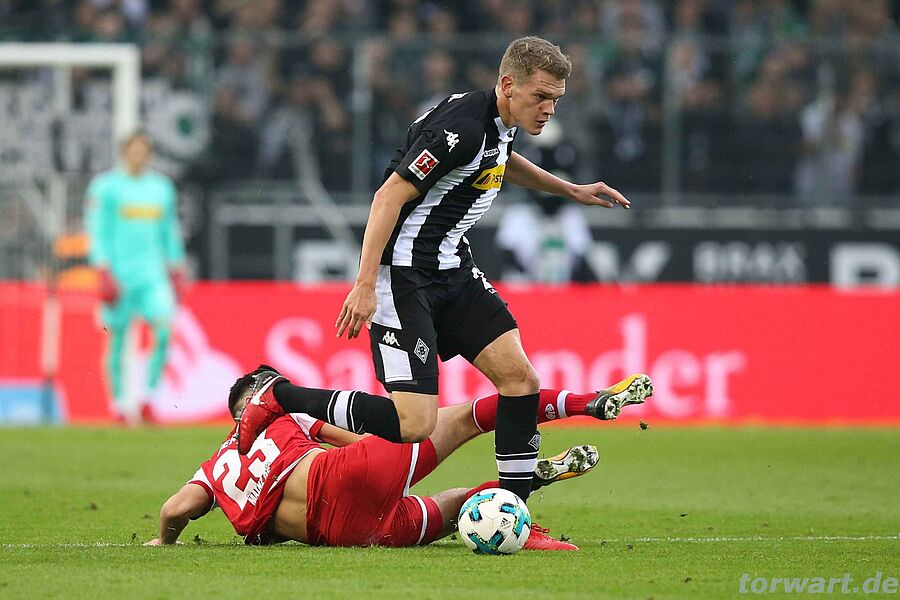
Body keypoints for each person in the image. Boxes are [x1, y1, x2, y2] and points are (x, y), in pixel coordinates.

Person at [238, 36, 635, 507]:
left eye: (556, 99)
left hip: (454, 269)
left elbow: (500, 160)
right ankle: (280, 396)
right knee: (415, 424)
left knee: (520, 380)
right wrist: (364, 284)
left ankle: (514, 510)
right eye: (542, 96)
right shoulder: (460, 128)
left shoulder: (499, 122)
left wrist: (569, 190)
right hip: (406, 277)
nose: (549, 109)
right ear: (509, 85)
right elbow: (387, 196)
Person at [147, 366, 652, 550]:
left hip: (344, 535)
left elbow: (175, 510)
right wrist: (394, 460)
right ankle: (586, 405)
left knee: (462, 508)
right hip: (348, 474)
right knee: (470, 416)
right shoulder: (286, 416)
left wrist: (163, 540)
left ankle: (522, 499)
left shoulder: (214, 468)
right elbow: (356, 442)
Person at [85, 131, 186, 423]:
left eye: (144, 150)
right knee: (116, 339)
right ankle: (118, 406)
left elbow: (169, 230)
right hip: (119, 275)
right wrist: (102, 270)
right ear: (124, 152)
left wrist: (176, 267)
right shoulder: (105, 187)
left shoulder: (161, 188)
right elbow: (97, 230)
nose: (139, 155)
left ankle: (148, 400)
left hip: (153, 276)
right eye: (134, 150)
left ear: (150, 154)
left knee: (163, 332)